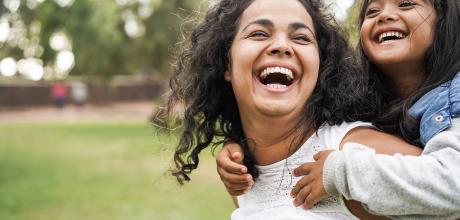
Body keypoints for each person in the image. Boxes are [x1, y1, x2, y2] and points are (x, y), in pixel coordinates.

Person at [166, 0, 421, 219]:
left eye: (300, 38)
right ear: (226, 65)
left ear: (321, 67)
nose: (281, 46)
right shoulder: (242, 173)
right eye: (259, 34)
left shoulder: (353, 152)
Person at [217, 0, 460, 219]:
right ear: (225, 63)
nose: (385, 15)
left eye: (406, 3)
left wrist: (341, 173)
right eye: (372, 10)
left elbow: (452, 189)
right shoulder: (244, 172)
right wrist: (237, 142)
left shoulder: (452, 99)